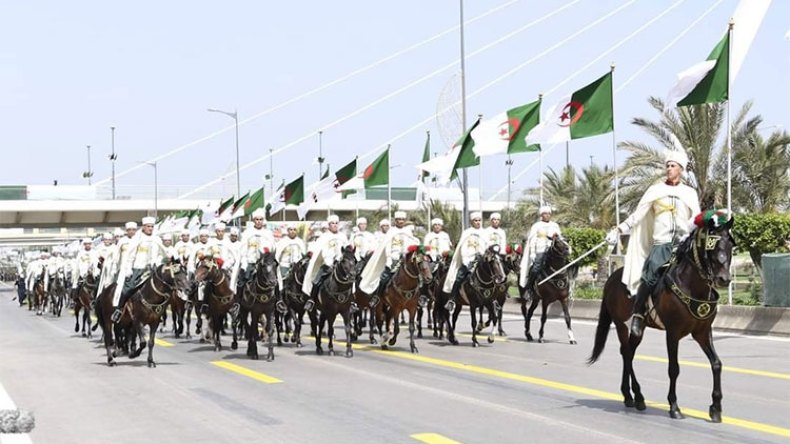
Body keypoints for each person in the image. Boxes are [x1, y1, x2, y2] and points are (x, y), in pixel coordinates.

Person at [606, 148, 700, 338]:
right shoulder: (655, 190)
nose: (669, 169)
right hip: (661, 243)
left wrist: (688, 231)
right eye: (667, 166)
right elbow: (638, 215)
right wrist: (619, 229)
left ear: (681, 169)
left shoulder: (689, 193)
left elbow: (696, 217)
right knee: (649, 276)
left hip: (683, 244)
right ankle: (639, 315)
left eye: (673, 166)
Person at [112, 217, 168, 322]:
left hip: (153, 270)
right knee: (127, 289)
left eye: (152, 227)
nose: (150, 229)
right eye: (148, 226)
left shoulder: (157, 239)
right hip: (139, 270)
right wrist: (128, 269)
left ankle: (159, 312)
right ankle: (119, 310)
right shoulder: (137, 239)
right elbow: (130, 256)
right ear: (143, 227)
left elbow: (164, 254)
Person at [302, 215, 349, 311]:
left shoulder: (343, 236)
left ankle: (352, 302)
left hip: (341, 265)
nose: (335, 225)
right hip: (327, 264)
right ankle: (311, 300)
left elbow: (347, 250)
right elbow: (320, 251)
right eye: (332, 223)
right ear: (329, 225)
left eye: (336, 223)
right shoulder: (324, 237)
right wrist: (329, 261)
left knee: (351, 279)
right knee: (316, 280)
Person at [443, 211, 488, 312]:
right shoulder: (467, 232)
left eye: (479, 220)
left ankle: (492, 300)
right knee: (459, 277)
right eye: (475, 221)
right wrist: (466, 262)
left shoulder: (484, 233)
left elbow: (487, 247)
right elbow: (463, 248)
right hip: (468, 261)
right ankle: (452, 299)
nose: (478, 222)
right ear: (472, 222)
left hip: (481, 261)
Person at [519, 206, 562, 299]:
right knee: (535, 269)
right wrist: (533, 253)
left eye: (549, 213)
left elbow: (559, 239)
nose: (547, 215)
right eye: (545, 213)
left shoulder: (555, 225)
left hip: (552, 252)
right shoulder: (536, 226)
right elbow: (532, 240)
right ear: (541, 215)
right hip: (540, 251)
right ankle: (529, 288)